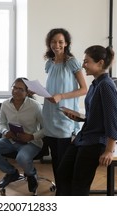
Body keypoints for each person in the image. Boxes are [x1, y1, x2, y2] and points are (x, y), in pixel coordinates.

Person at [56, 45, 117, 196]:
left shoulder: (106, 85)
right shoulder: (95, 84)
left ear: (100, 63)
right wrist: (78, 117)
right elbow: (96, 114)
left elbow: (113, 119)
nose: (83, 65)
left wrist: (109, 150)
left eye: (87, 61)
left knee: (79, 184)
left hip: (94, 142)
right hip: (84, 137)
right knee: (63, 173)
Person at [41, 28, 87, 194]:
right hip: (49, 114)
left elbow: (84, 89)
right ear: (49, 44)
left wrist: (62, 96)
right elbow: (52, 87)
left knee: (64, 160)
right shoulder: (49, 63)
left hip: (65, 116)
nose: (57, 45)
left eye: (60, 42)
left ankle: (65, 192)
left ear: (66, 43)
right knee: (55, 158)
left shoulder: (72, 62)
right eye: (53, 42)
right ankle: (61, 189)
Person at [0, 78, 45, 193]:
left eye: (20, 89)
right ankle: (11, 173)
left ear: (27, 92)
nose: (16, 91)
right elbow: (2, 123)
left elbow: (47, 128)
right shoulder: (5, 104)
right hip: (11, 140)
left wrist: (32, 136)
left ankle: (31, 174)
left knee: (22, 158)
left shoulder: (35, 106)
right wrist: (5, 132)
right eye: (14, 88)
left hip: (30, 143)